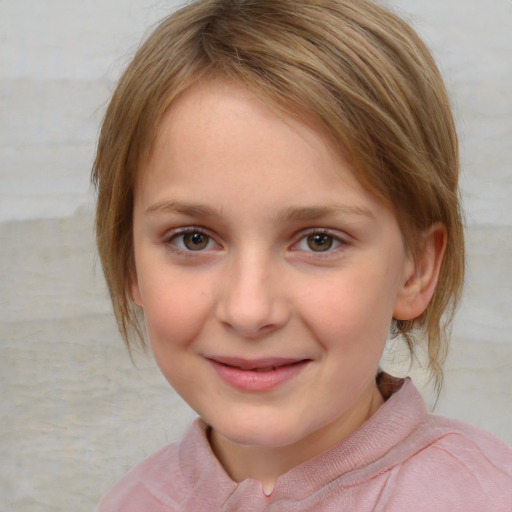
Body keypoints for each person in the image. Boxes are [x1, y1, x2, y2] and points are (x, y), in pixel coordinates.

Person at [92, 0, 511, 510]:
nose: (248, 310)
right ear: (130, 261)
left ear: (417, 268)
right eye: (194, 239)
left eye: (319, 240)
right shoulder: (131, 501)